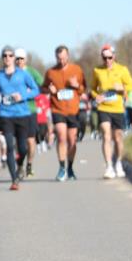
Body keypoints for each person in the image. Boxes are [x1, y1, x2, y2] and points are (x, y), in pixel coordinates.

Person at [0, 47, 40, 190]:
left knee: (23, 148)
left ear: (14, 58)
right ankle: (14, 180)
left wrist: (23, 96)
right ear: (2, 58)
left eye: (10, 55)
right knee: (8, 146)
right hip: (5, 114)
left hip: (22, 114)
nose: (7, 58)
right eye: (5, 55)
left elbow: (36, 90)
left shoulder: (22, 74)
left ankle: (20, 166)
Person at [91, 44, 132, 179]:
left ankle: (118, 163)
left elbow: (131, 85)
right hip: (103, 108)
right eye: (104, 58)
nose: (107, 61)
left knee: (118, 138)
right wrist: (96, 96)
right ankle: (109, 166)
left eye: (110, 58)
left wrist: (122, 88)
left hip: (117, 108)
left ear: (114, 56)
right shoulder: (97, 70)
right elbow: (93, 88)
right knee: (106, 135)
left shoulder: (122, 70)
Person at [43, 46, 86, 181]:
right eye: (59, 58)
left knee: (72, 141)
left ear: (68, 56)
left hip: (73, 110)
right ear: (56, 57)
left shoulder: (77, 70)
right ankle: (61, 168)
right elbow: (43, 88)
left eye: (63, 58)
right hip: (57, 109)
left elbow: (83, 89)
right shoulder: (50, 72)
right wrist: (49, 89)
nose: (61, 61)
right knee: (61, 136)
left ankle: (70, 168)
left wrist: (76, 86)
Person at [14, 48, 45, 177]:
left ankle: (29, 164)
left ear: (25, 59)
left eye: (21, 58)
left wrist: (29, 93)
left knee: (31, 140)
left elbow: (42, 84)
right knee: (19, 141)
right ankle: (20, 164)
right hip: (15, 111)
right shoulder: (11, 73)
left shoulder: (31, 72)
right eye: (17, 59)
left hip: (30, 109)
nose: (19, 61)